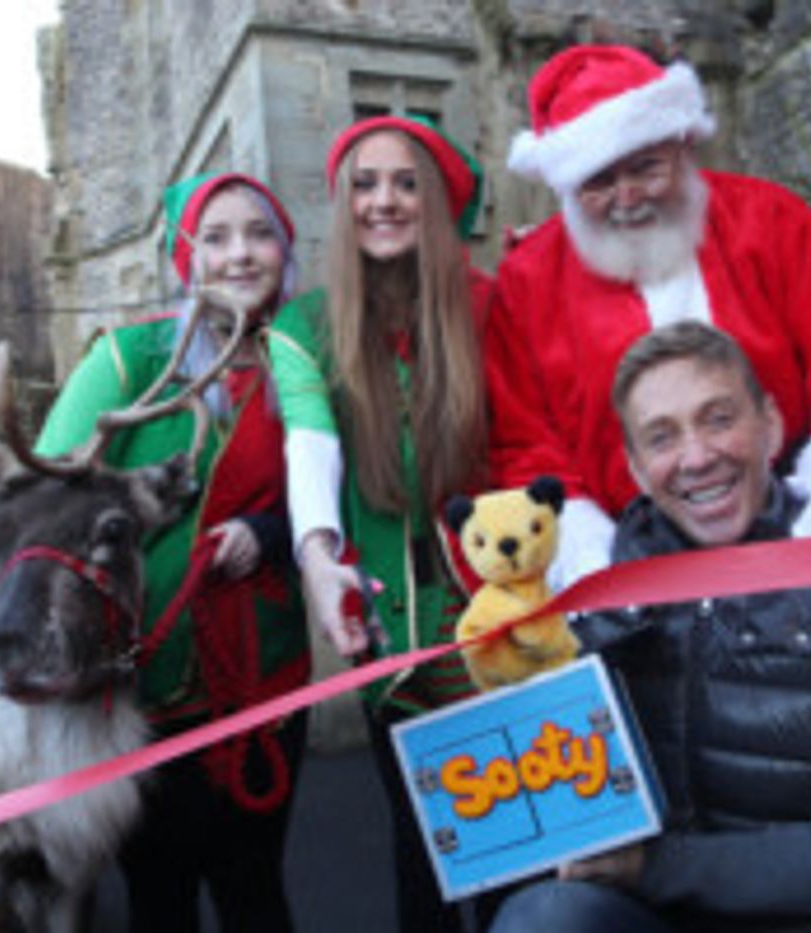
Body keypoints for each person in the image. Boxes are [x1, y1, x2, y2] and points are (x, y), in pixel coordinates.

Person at [490, 321, 811, 933]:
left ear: (770, 425)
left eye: (718, 420)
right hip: (650, 913)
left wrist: (654, 867)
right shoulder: (602, 597)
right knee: (542, 920)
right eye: (662, 438)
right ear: (636, 468)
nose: (696, 457)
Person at [0, 171, 311, 931]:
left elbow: (331, 499)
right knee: (159, 899)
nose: (240, 254)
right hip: (143, 693)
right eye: (216, 238)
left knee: (257, 891)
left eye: (260, 235)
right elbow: (36, 495)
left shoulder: (305, 364)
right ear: (188, 260)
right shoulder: (128, 360)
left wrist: (270, 534)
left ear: (286, 253)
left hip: (263, 678)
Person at [489, 43, 811, 590]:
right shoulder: (526, 283)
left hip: (797, 528)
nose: (627, 197)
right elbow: (524, 438)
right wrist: (580, 542)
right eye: (598, 181)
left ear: (683, 145)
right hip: (630, 562)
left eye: (646, 168)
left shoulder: (774, 222)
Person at [266, 114, 493, 932]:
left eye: (404, 183)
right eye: (364, 184)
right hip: (393, 629)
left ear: (435, 200)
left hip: (498, 621)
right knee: (422, 845)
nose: (383, 201)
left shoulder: (487, 305)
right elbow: (310, 444)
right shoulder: (304, 327)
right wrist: (317, 554)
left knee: (520, 838)